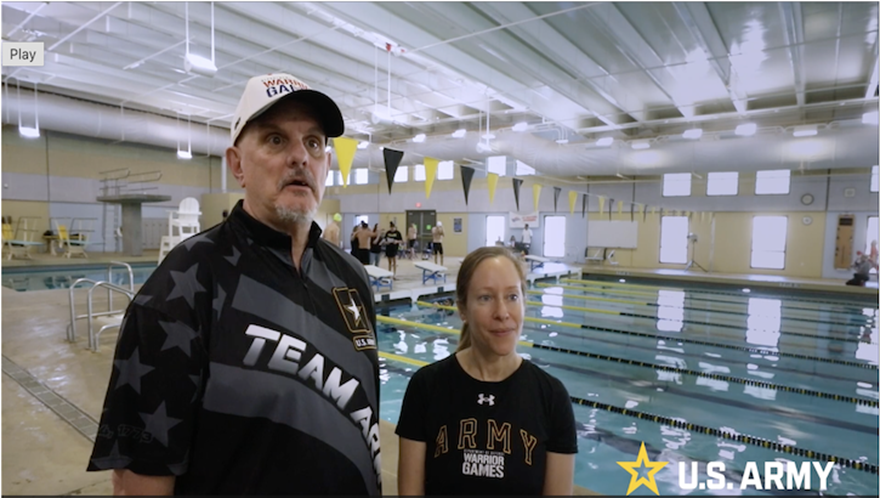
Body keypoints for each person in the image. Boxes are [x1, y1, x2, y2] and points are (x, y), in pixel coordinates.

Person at [87, 73, 382, 496]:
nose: (300, 156)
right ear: (237, 164)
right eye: (276, 140)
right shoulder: (183, 285)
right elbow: (141, 480)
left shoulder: (351, 277)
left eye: (314, 142)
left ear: (327, 166)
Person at [395, 246, 577, 495]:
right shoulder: (426, 387)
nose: (502, 313)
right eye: (485, 298)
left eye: (512, 296)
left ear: (524, 302)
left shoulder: (551, 397)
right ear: (462, 309)